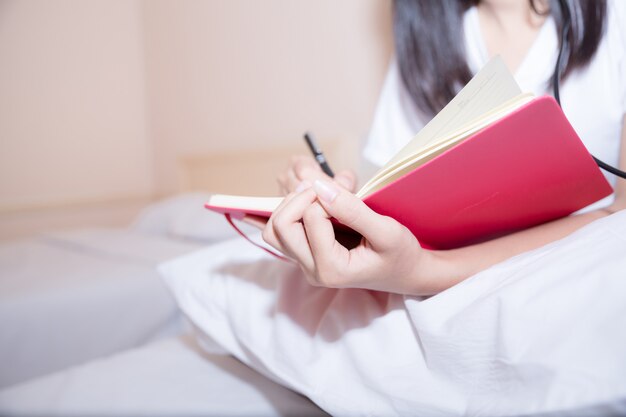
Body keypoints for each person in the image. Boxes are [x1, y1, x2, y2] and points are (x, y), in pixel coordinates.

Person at [260, 0, 626, 296]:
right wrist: (332, 207)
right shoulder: (427, 50)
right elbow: (391, 202)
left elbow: (620, 214)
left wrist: (425, 273)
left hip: (574, 275)